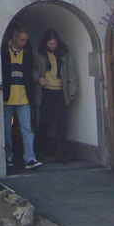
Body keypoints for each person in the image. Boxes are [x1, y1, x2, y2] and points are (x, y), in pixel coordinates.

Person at [0, 26, 42, 169]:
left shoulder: (28, 53)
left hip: (24, 97)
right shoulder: (4, 52)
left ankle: (30, 158)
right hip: (7, 97)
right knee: (6, 129)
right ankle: (8, 156)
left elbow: (31, 72)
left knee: (27, 128)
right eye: (22, 40)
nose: (24, 42)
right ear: (14, 37)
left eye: (25, 40)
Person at [34, 28, 78, 161]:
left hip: (61, 92)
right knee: (44, 122)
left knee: (62, 124)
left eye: (54, 43)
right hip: (46, 91)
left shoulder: (64, 53)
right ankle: (38, 150)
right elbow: (33, 69)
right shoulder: (39, 54)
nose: (53, 46)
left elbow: (71, 72)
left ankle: (62, 154)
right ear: (45, 43)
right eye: (50, 44)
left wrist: (72, 91)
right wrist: (38, 78)